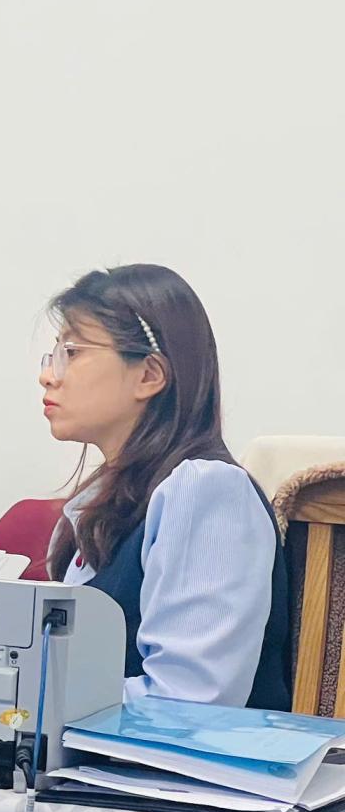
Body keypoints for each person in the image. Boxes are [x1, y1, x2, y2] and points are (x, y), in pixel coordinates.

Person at [39, 265, 288, 708]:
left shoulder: (207, 490)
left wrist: (25, 703)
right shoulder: (101, 499)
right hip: (94, 749)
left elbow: (188, 700)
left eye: (72, 352)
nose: (49, 375)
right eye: (53, 354)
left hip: (175, 756)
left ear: (149, 375)